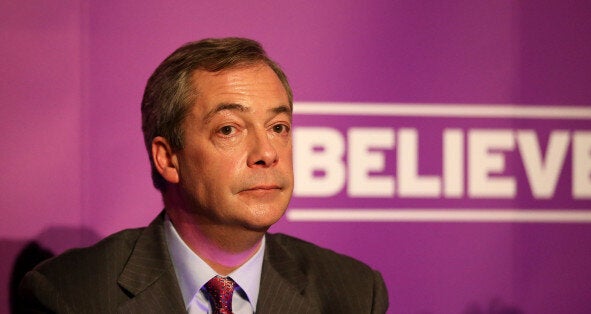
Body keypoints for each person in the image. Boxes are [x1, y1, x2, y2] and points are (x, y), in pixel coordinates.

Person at [18, 37, 388, 313]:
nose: (266, 153)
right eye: (229, 129)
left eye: (278, 127)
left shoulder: (353, 293)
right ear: (168, 159)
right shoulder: (71, 294)